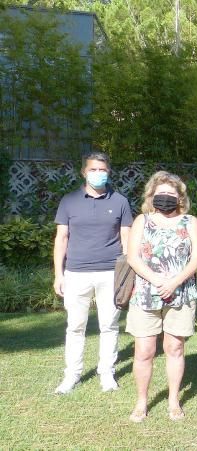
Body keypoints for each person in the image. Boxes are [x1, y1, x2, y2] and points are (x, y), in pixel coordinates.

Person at [126, 171, 197, 422]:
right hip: (146, 294)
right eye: (160, 193)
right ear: (151, 196)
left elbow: (196, 259)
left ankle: (173, 400)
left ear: (180, 197)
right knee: (144, 351)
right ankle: (141, 402)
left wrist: (174, 282)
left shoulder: (190, 222)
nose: (165, 197)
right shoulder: (142, 221)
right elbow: (133, 258)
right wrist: (158, 280)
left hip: (181, 293)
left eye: (171, 193)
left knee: (175, 348)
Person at [53, 151, 133, 394]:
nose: (98, 174)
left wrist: (127, 274)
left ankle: (106, 373)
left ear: (109, 172)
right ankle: (72, 375)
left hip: (110, 273)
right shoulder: (69, 201)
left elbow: (127, 239)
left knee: (109, 325)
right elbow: (61, 239)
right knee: (75, 326)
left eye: (102, 170)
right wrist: (59, 274)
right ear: (83, 172)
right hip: (76, 272)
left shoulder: (120, 201)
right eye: (93, 169)